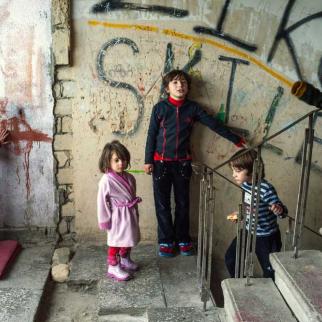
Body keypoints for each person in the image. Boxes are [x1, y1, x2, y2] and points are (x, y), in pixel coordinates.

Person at [144, 69, 245, 257]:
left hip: (183, 164)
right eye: (174, 82)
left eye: (183, 82)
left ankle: (183, 238)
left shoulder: (193, 108)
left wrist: (235, 140)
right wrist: (148, 160)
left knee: (183, 203)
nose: (180, 85)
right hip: (160, 164)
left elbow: (214, 124)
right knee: (162, 204)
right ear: (167, 88)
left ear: (188, 87)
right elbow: (151, 135)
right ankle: (166, 241)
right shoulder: (159, 108)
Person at [225, 148, 287, 279]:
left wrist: (278, 209)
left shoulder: (266, 189)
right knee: (231, 258)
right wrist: (241, 213)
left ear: (252, 171)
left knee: (270, 272)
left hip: (266, 237)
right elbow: (250, 206)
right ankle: (241, 284)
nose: (233, 175)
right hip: (248, 231)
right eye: (233, 171)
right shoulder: (245, 184)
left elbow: (282, 211)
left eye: (238, 171)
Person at [97, 140, 141, 281]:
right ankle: (113, 265)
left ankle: (124, 258)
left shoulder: (130, 178)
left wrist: (135, 212)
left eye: (123, 159)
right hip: (117, 216)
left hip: (129, 214)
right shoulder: (106, 180)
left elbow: (132, 196)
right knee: (116, 241)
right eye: (116, 160)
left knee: (128, 239)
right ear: (108, 161)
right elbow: (102, 202)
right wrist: (105, 220)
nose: (121, 163)